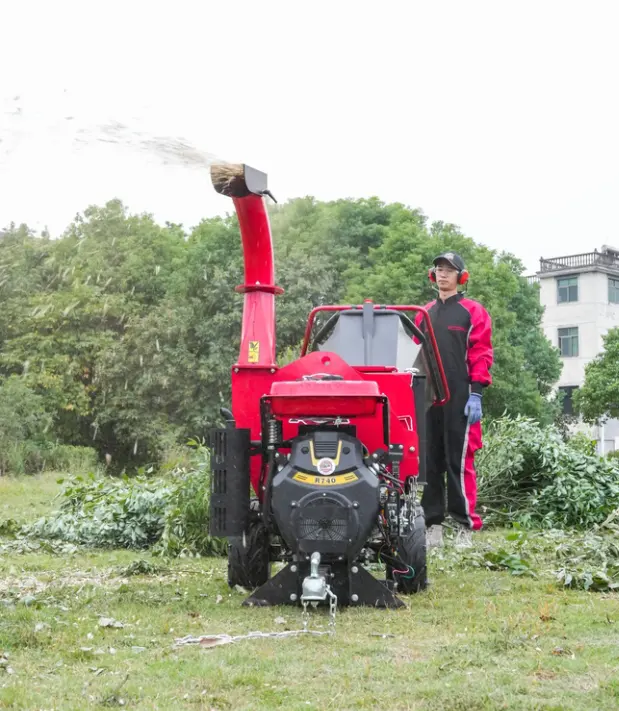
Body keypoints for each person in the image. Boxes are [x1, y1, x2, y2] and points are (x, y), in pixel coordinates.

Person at [414, 252, 493, 548]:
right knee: (430, 462)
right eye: (439, 269)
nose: (443, 274)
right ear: (432, 275)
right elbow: (412, 356)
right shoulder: (422, 313)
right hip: (428, 398)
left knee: (458, 462)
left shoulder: (473, 312)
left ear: (462, 277)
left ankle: (464, 526)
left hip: (461, 397)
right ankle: (432, 524)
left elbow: (481, 353)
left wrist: (476, 393)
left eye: (449, 270)